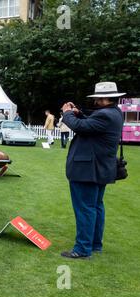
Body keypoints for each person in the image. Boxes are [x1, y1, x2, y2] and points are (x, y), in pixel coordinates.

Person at [60, 82, 124, 259]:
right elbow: (90, 122)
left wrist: (67, 113)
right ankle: (95, 244)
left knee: (85, 209)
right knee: (96, 207)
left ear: (104, 99)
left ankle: (82, 249)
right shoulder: (114, 113)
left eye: (97, 99)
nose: (95, 102)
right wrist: (79, 113)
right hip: (101, 168)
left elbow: (80, 126)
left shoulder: (105, 115)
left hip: (88, 169)